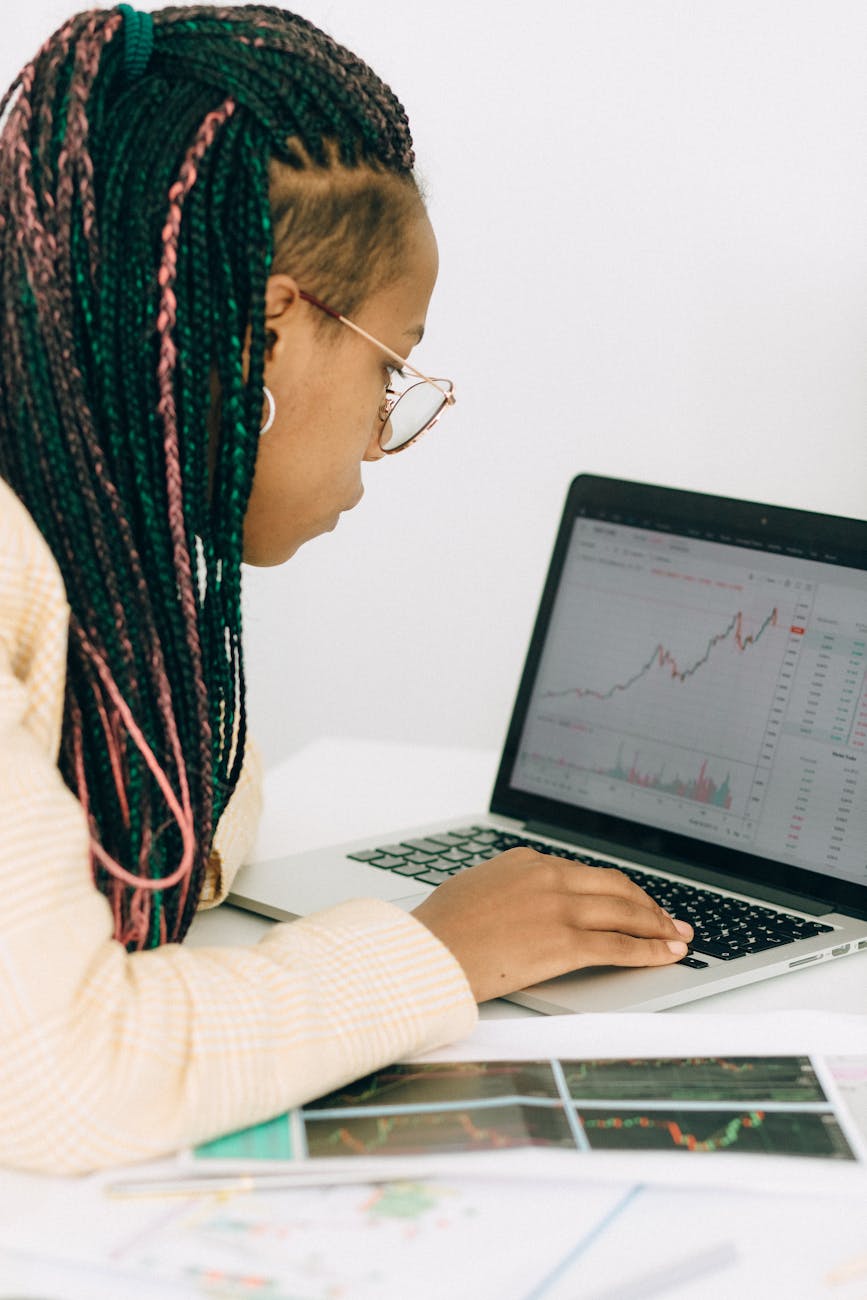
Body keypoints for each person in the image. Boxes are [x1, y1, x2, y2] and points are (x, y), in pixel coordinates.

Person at [0, 4, 692, 1175]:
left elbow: (204, 805)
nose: (382, 434)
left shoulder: (80, 537)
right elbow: (65, 1082)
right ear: (266, 335)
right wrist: (440, 953)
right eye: (392, 370)